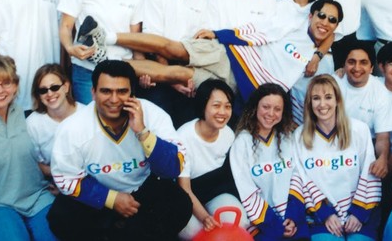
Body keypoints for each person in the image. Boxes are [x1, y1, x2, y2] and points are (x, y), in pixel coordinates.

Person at [82, 0, 341, 105]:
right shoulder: (293, 21)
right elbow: (259, 30)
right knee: (173, 48)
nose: (325, 23)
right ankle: (107, 36)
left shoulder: (321, 52)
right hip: (230, 55)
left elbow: (326, 39)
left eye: (332, 20)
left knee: (173, 74)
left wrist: (317, 55)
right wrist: (219, 34)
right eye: (322, 16)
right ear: (310, 15)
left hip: (234, 83)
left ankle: (104, 61)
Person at [48, 60, 192, 241]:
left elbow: (174, 167)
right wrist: (111, 199)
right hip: (99, 192)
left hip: (141, 188)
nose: (114, 99)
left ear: (133, 93)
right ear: (93, 92)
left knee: (179, 204)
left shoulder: (153, 115)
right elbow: (65, 178)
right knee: (60, 216)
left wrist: (143, 132)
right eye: (106, 91)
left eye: (122, 91)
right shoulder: (73, 128)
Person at [0, 56, 57, 241]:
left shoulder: (26, 115)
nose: (0, 90)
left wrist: (60, 180)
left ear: (16, 86)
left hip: (38, 197)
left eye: (6, 83)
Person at [292, 75, 381, 240]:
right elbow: (301, 179)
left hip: (360, 214)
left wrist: (358, 213)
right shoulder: (300, 136)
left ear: (337, 100)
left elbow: (368, 174)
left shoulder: (359, 130)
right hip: (321, 217)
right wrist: (325, 214)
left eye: (328, 97)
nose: (322, 104)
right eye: (316, 98)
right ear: (309, 104)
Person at [230, 84, 307, 240]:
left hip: (291, 219)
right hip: (262, 223)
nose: (271, 113)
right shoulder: (242, 142)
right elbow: (246, 190)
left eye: (277, 109)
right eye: (266, 106)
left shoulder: (287, 138)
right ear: (255, 107)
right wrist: (275, 224)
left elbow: (297, 177)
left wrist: (292, 217)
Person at [177, 80, 249, 240]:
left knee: (239, 222)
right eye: (216, 105)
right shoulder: (183, 137)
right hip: (185, 197)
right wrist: (205, 217)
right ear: (203, 106)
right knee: (197, 233)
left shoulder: (228, 134)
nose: (222, 112)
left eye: (227, 106)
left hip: (214, 193)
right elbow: (184, 188)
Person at [333, 43, 392, 181]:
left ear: (371, 68)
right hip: (336, 142)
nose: (357, 68)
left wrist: (382, 159)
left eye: (363, 63)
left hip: (367, 145)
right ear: (344, 65)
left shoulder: (379, 91)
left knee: (389, 161)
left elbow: (383, 136)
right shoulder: (333, 84)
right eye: (351, 62)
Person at [26, 64, 80, 179]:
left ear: (66, 87)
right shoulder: (32, 123)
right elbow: (33, 163)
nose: (50, 94)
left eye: (54, 87)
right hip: (51, 183)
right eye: (43, 90)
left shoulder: (86, 114)